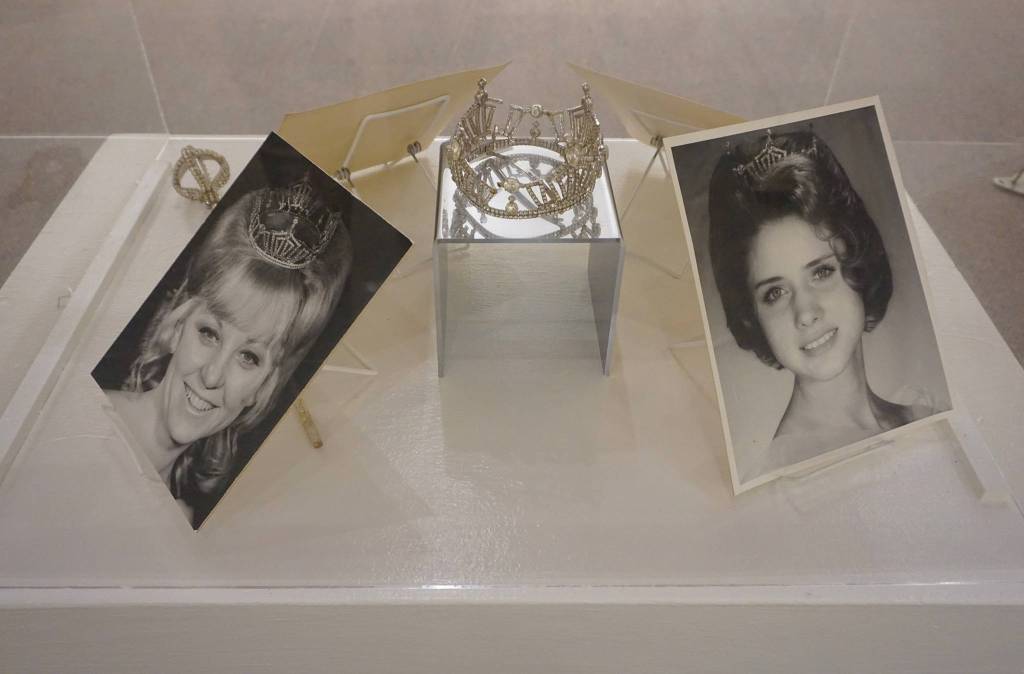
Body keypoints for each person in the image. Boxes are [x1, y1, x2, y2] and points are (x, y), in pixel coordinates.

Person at [106, 175, 352, 524]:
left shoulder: (179, 519)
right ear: (177, 328)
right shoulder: (95, 423)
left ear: (262, 388)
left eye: (249, 357)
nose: (212, 375)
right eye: (208, 333)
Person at [707, 129, 933, 480]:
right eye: (774, 293)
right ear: (752, 317)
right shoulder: (783, 476)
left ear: (857, 262)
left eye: (822, 271)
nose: (806, 313)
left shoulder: (922, 414)